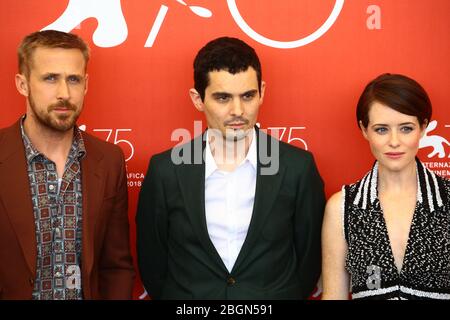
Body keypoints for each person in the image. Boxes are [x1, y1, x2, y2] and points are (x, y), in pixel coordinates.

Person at [136, 36, 325, 299]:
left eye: (248, 96)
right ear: (197, 99)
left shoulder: (297, 168)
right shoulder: (165, 170)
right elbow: (153, 265)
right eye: (223, 98)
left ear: (262, 92)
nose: (238, 110)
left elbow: (309, 263)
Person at [0, 30, 135, 299]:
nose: (64, 93)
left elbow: (115, 266)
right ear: (22, 83)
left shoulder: (109, 160)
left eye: (73, 79)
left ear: (85, 84)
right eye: (50, 78)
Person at [322, 73, 450, 300]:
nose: (394, 141)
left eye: (406, 128)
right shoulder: (343, 207)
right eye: (382, 129)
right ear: (364, 129)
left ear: (423, 128)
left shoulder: (447, 199)